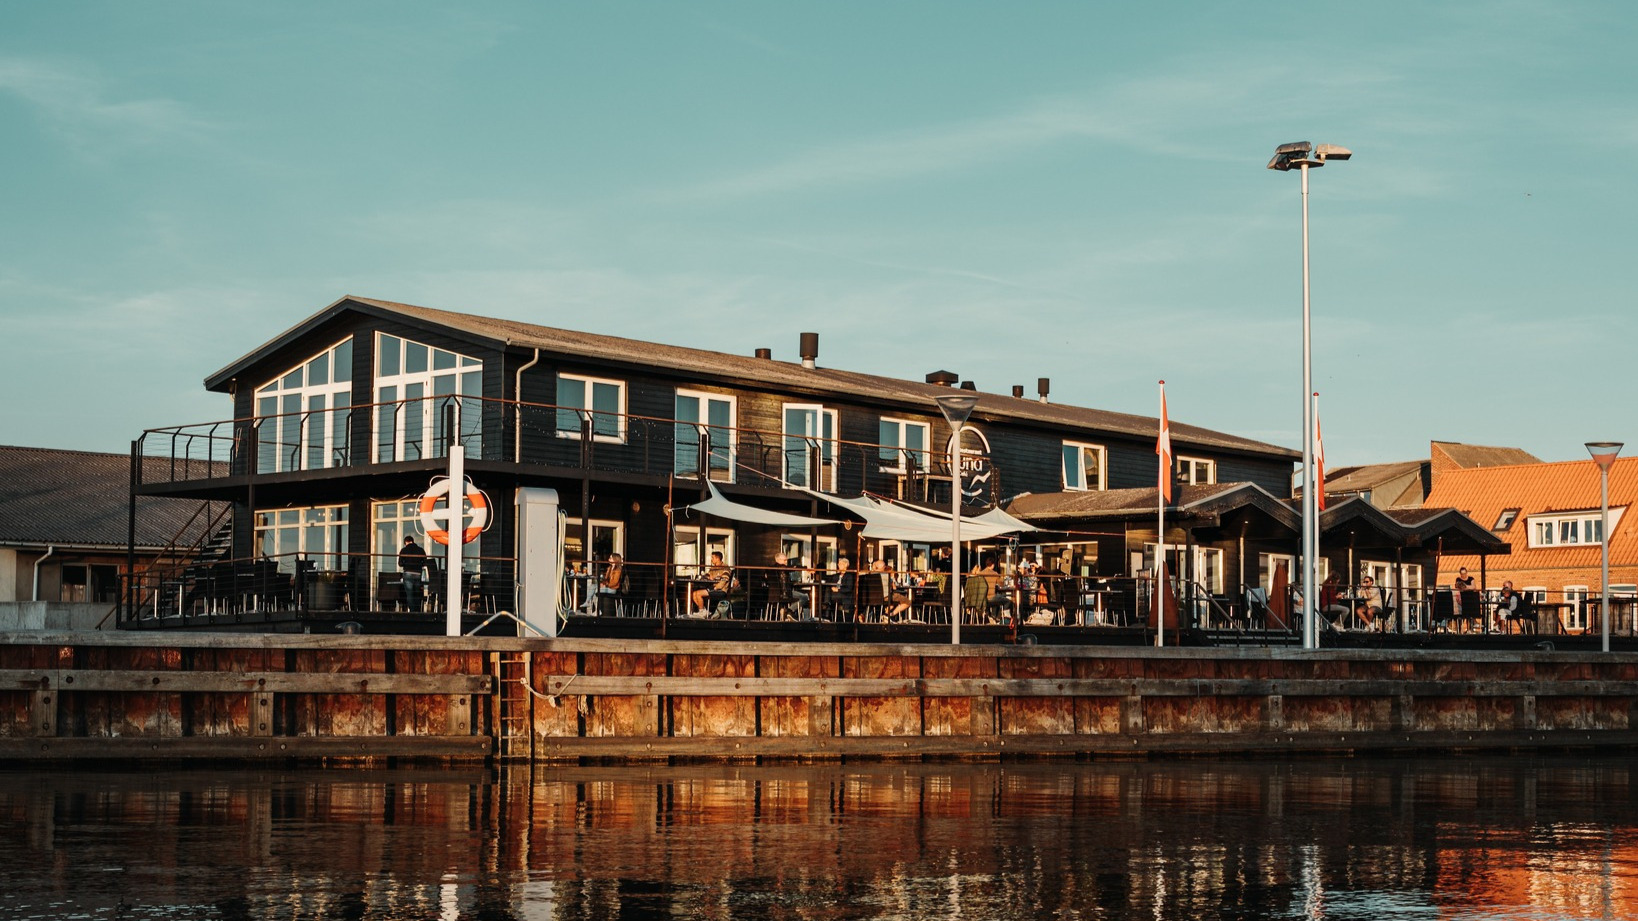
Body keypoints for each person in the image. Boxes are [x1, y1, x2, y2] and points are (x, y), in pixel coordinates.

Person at [691, 551, 734, 618]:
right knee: (694, 594)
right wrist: (707, 577)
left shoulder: (725, 568)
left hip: (721, 590)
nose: (711, 559)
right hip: (712, 588)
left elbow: (724, 580)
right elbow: (707, 575)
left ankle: (702, 612)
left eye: (713, 558)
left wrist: (715, 587)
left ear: (717, 558)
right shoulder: (713, 568)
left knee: (699, 594)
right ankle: (704, 611)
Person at [398, 535, 429, 612]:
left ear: (405, 542)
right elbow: (425, 562)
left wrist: (405, 563)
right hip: (418, 574)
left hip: (408, 573)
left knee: (409, 594)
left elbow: (400, 563)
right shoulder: (420, 550)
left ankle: (412, 611)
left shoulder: (404, 550)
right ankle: (418, 611)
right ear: (413, 541)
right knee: (417, 593)